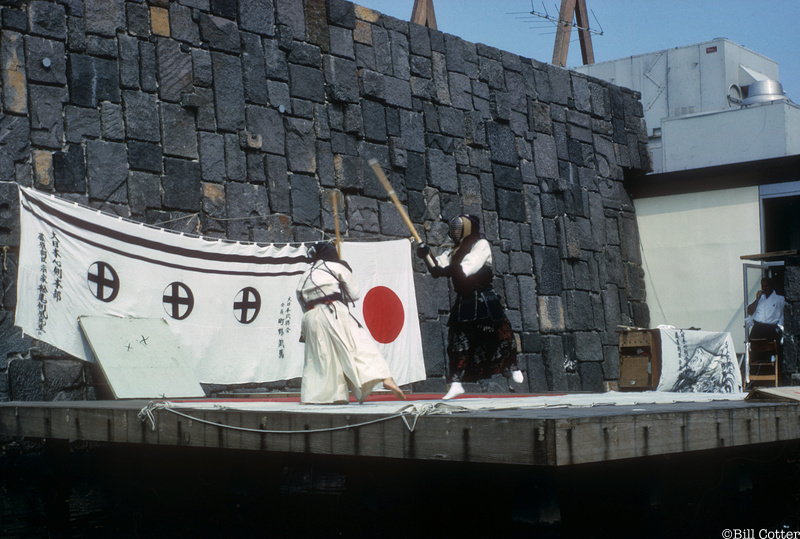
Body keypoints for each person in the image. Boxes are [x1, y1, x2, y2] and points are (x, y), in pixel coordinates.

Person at [416, 214, 524, 400]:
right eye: (454, 227)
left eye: (459, 227)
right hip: (465, 301)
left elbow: (466, 268)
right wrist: (426, 254)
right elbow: (436, 269)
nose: (455, 231)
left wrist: (444, 267)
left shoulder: (481, 245)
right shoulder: (453, 252)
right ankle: (456, 382)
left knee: (502, 335)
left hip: (485, 299)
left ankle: (513, 367)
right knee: (458, 341)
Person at [296, 241, 405, 404]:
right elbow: (354, 294)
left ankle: (328, 396)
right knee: (359, 344)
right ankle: (385, 377)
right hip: (333, 311)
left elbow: (301, 298)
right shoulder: (336, 267)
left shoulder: (305, 274)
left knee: (321, 356)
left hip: (311, 316)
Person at [746, 277, 785, 342]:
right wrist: (757, 299)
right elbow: (749, 311)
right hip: (757, 328)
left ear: (771, 286)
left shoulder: (779, 299)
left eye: (766, 286)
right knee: (754, 349)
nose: (764, 288)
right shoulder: (760, 299)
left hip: (771, 328)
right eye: (762, 286)